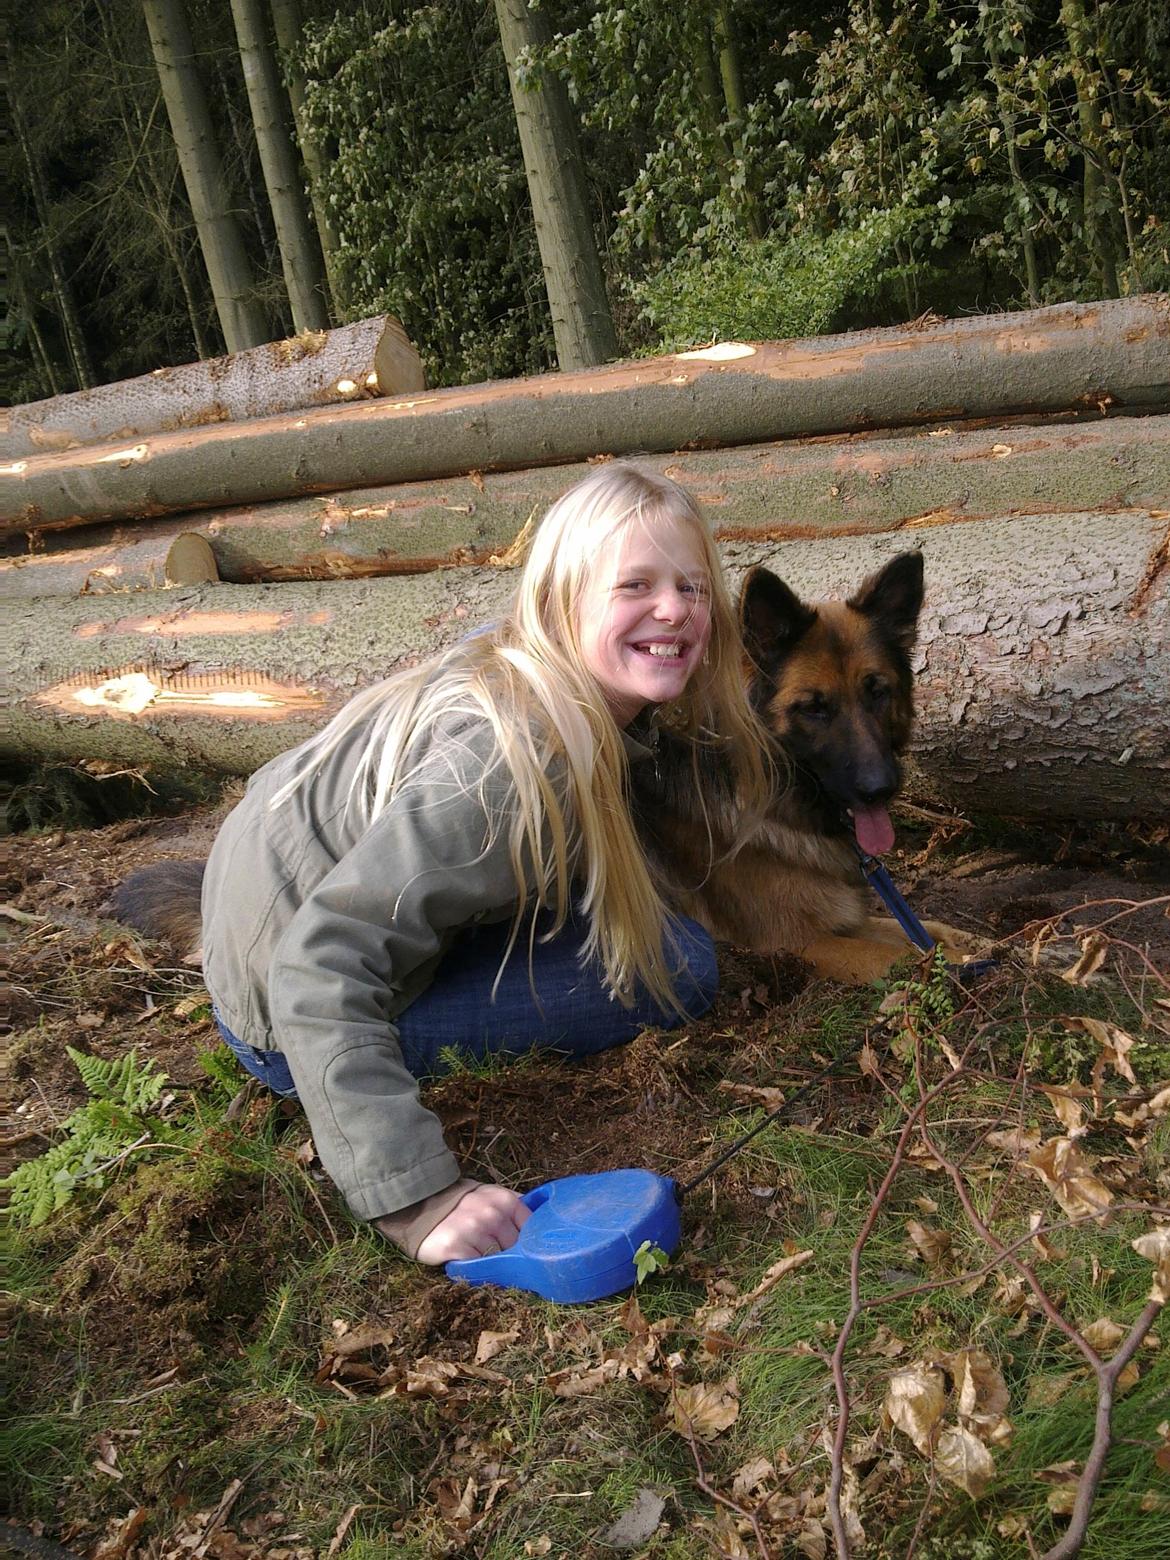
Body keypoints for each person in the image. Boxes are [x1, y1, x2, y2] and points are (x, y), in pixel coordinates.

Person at [118, 461, 771, 1265]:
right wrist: (415, 1200)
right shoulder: (516, 763)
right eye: (635, 585)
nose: (674, 607)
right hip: (287, 1019)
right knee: (681, 962)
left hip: (269, 918)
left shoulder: (537, 673)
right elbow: (318, 967)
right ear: (563, 598)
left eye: (694, 587)